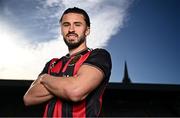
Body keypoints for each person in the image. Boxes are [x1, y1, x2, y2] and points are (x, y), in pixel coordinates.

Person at [23, 7, 112, 117]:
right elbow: (29, 98)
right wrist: (69, 82)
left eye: (77, 24)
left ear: (87, 30)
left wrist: (44, 78)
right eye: (66, 25)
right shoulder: (52, 63)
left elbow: (75, 91)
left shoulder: (98, 55)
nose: (71, 29)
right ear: (61, 30)